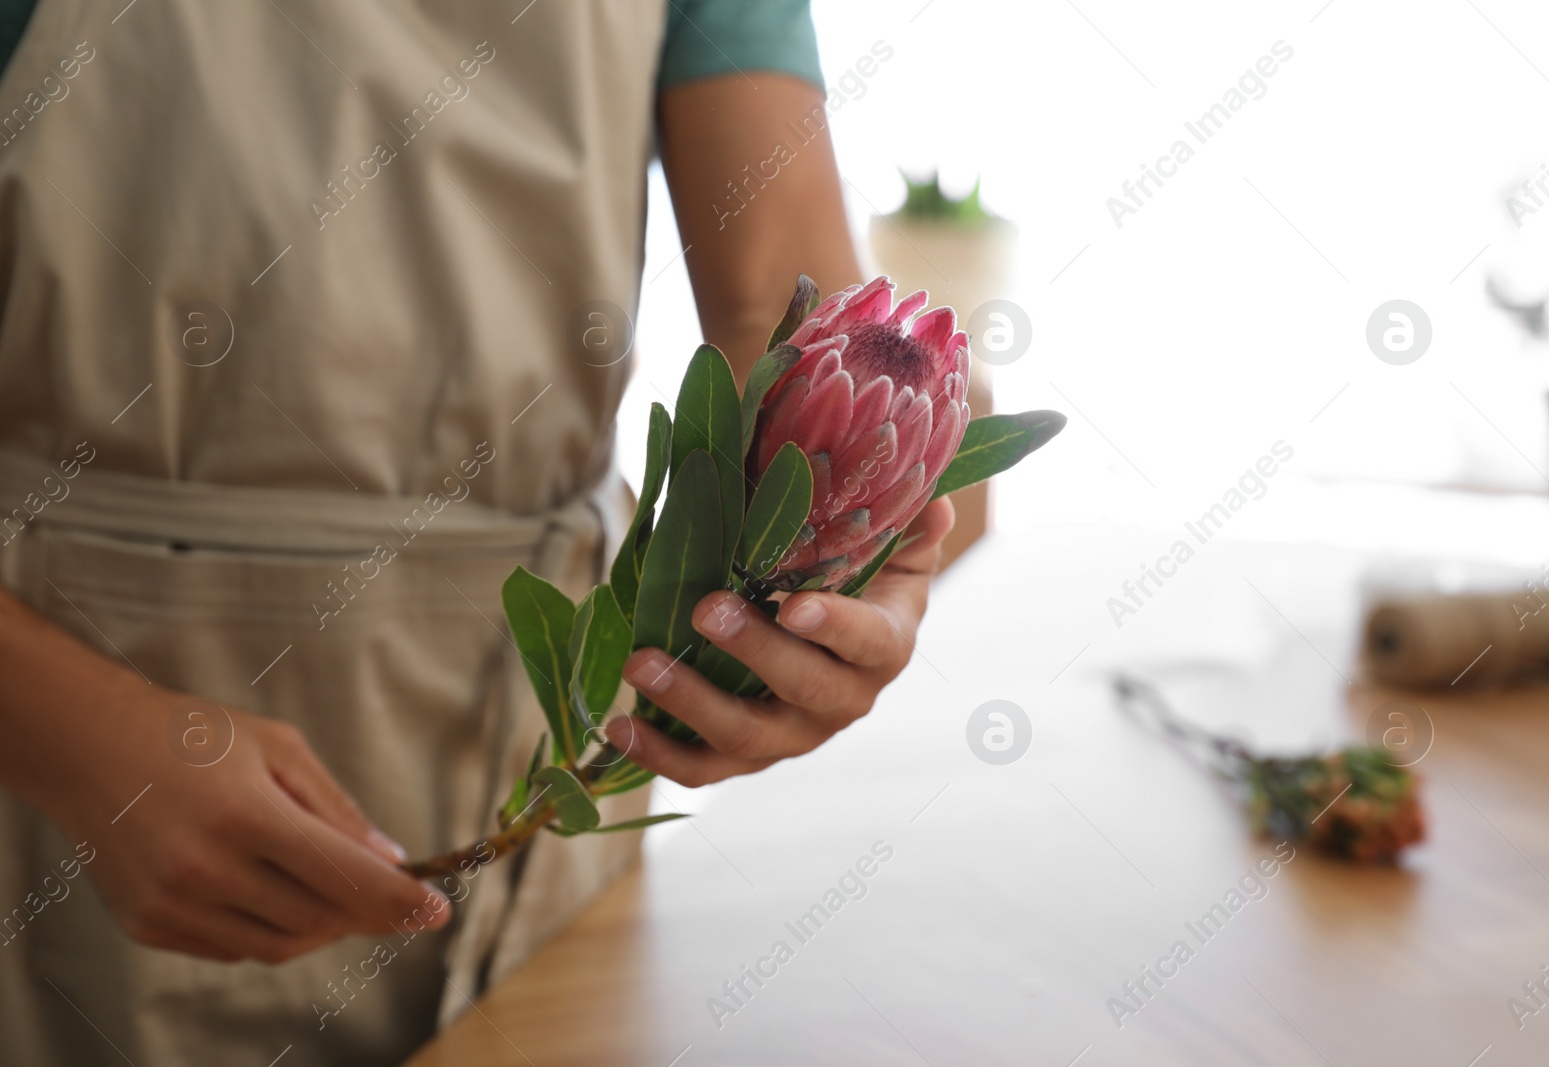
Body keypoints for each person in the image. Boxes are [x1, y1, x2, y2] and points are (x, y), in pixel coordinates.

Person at [0, 2, 955, 1064]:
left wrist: (844, 585)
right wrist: (71, 735)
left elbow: (789, 312)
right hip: (63, 795)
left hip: (555, 856)